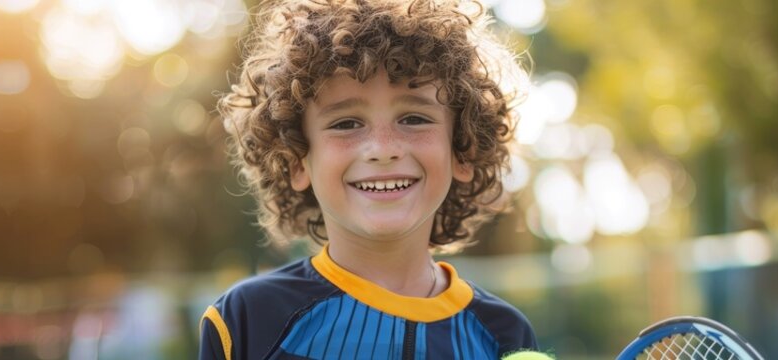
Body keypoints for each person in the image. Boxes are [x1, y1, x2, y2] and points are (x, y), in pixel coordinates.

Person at [199, 0, 536, 358]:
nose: (382, 149)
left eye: (414, 118)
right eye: (346, 124)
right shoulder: (246, 320)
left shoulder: (503, 335)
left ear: (461, 149)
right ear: (297, 161)